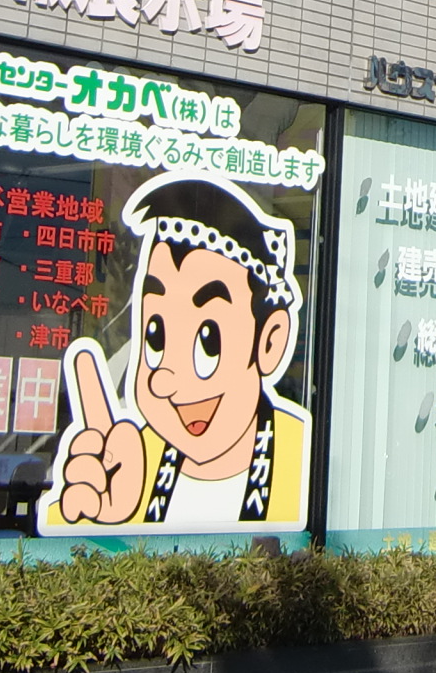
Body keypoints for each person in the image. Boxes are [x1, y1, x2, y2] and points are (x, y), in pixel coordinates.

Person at [40, 169, 308, 532]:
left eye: (208, 341)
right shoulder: (128, 461)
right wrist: (99, 518)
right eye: (156, 338)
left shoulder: (303, 456)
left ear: (269, 341)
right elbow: (59, 539)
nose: (164, 380)